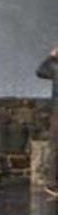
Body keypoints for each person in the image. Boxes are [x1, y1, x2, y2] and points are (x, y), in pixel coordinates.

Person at [36, 46, 58, 193]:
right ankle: (53, 183)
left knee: (56, 146)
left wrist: (51, 57)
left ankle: (53, 183)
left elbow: (40, 71)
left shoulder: (55, 68)